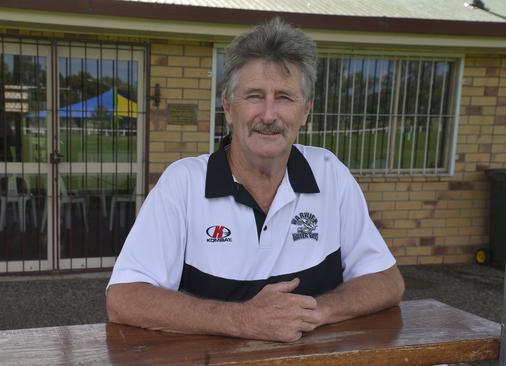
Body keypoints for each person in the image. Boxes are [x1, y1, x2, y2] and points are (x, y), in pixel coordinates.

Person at [106, 18, 404, 342]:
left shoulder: (330, 174)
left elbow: (387, 281)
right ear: (228, 107)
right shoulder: (183, 184)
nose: (268, 115)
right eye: (254, 96)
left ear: (305, 111)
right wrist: (243, 319)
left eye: (285, 98)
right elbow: (124, 299)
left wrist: (317, 311)